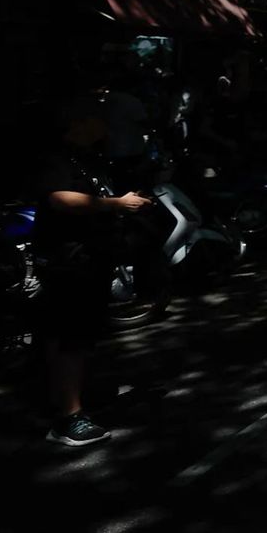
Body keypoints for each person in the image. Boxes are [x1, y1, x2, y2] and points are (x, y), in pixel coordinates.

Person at [33, 95, 153, 446]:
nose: (105, 124)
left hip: (91, 258)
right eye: (97, 118)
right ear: (79, 123)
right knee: (70, 336)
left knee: (81, 335)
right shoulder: (55, 158)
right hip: (69, 260)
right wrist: (116, 203)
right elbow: (59, 198)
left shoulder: (89, 158)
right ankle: (67, 419)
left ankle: (74, 398)